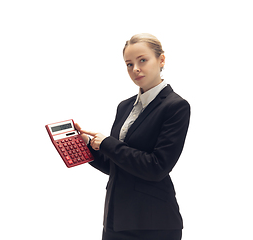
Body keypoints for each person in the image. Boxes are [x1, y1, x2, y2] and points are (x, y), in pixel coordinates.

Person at [75, 33, 190, 240]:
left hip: (154, 223)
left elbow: (157, 167)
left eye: (142, 60)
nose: (135, 69)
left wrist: (108, 143)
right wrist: (87, 145)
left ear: (161, 60)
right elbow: (116, 165)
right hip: (116, 220)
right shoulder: (125, 106)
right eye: (129, 64)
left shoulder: (175, 106)